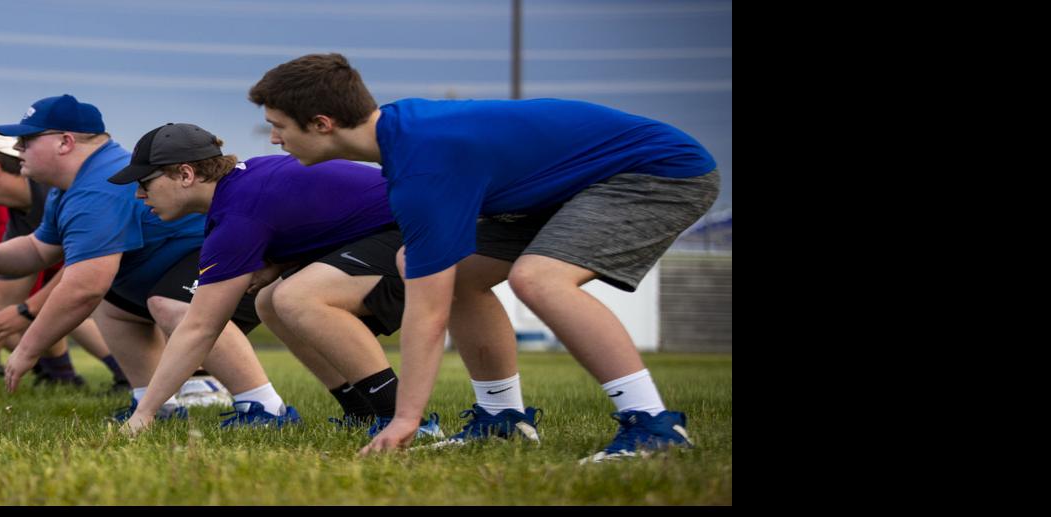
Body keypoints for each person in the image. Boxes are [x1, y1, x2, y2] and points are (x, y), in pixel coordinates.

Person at [248, 54, 719, 461]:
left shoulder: (423, 166)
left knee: (539, 278)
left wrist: (406, 418)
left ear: (322, 124)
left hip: (656, 169)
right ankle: (502, 420)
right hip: (560, 189)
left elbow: (427, 313)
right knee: (443, 270)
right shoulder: (401, 137)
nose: (274, 139)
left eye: (279, 126)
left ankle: (654, 426)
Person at [0, 96, 274, 426]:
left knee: (169, 303)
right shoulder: (71, 186)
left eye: (27, 140)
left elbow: (84, 288)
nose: (17, 148)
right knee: (114, 306)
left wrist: (28, 349)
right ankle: (156, 405)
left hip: (245, 264)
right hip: (195, 261)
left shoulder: (97, 188)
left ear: (65, 142)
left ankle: (264, 408)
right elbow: (39, 249)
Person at [110, 122, 440, 439]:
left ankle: (404, 420)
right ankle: (362, 411)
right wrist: (282, 261)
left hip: (426, 234)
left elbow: (200, 328)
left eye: (145, 182)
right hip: (410, 227)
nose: (139, 194)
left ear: (185, 174)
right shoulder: (244, 183)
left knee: (296, 297)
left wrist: (145, 412)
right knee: (269, 302)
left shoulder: (237, 213)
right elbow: (336, 218)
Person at [0, 127, 116, 395]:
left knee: (84, 299)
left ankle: (136, 378)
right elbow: (2, 297)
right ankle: (64, 375)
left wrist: (27, 310)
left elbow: (86, 270)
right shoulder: (22, 210)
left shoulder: (58, 192)